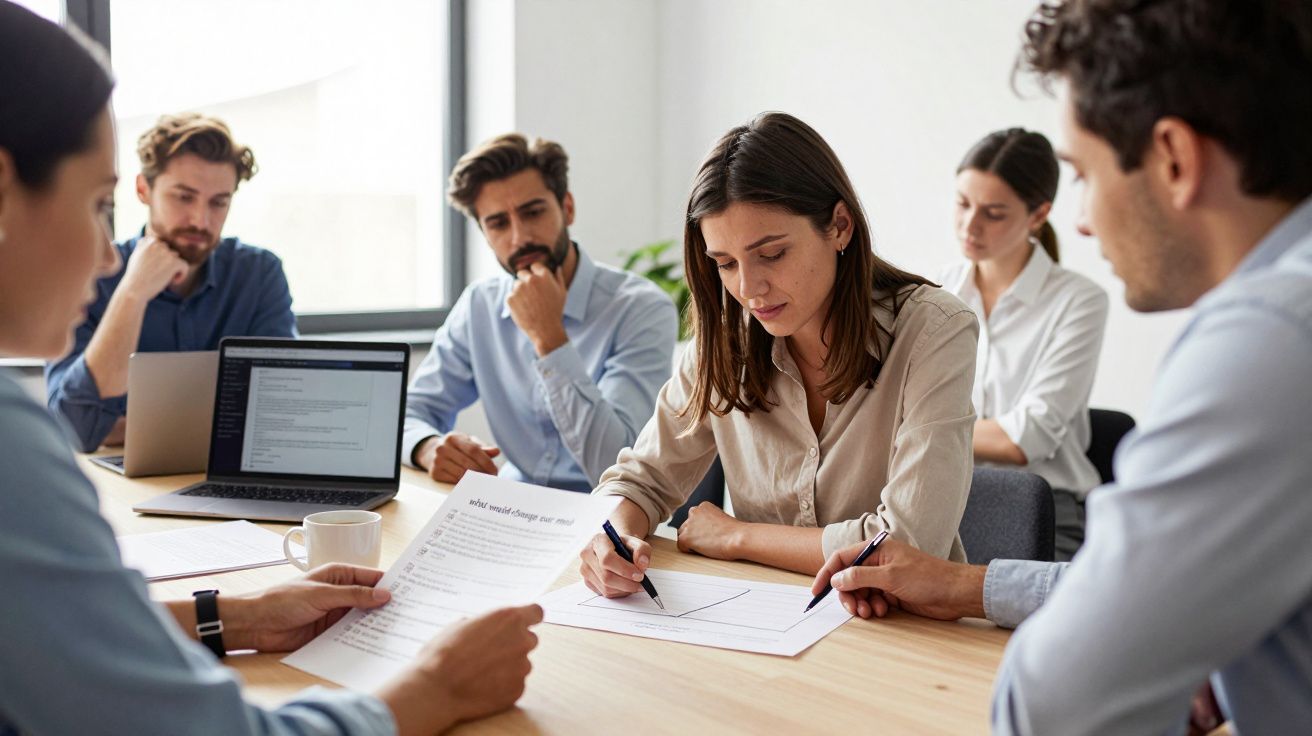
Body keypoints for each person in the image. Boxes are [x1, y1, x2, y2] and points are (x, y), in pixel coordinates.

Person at [0, 4, 539, 734]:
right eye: (96, 204)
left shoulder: (256, 272)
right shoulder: (11, 442)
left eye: (217, 201)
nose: (103, 255)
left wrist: (236, 614)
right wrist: (435, 689)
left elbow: (52, 638)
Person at [813, 0, 1312, 733]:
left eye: (1084, 173)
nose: (1082, 219)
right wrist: (967, 585)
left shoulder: (1267, 341)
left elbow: (1055, 706)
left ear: (1173, 158)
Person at [579, 112, 980, 596]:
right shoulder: (727, 340)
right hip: (764, 624)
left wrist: (739, 537)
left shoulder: (935, 331)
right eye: (725, 263)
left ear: (839, 226)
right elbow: (640, 479)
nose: (749, 289)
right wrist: (614, 534)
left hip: (906, 634)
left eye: (771, 254)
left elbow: (906, 546)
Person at [403, 133, 677, 492]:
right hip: (514, 508)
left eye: (533, 213)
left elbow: (617, 464)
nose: (519, 238)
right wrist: (427, 447)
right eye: (498, 223)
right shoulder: (480, 306)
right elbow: (409, 414)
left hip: (609, 517)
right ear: (484, 233)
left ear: (567, 208)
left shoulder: (641, 308)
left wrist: (549, 339)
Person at [45, 111, 297, 452]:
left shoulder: (259, 275)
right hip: (123, 488)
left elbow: (279, 411)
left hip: (228, 475)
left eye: (218, 203)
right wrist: (132, 294)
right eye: (183, 196)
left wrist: (120, 427)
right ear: (143, 189)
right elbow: (74, 430)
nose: (200, 220)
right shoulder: (92, 276)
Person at [941, 128, 1108, 560]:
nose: (970, 225)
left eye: (993, 213)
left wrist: (922, 430)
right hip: (948, 507)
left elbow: (1022, 440)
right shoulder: (936, 293)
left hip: (1043, 514)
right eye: (962, 203)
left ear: (1038, 215)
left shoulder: (1079, 301)